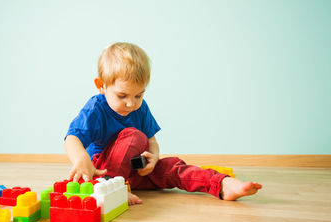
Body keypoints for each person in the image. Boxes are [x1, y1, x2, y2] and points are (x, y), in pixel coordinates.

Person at [64, 42, 262, 205]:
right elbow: (72, 138)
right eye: (122, 95)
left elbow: (151, 140)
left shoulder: (140, 108)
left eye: (139, 95)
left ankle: (222, 185)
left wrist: (153, 158)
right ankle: (111, 189)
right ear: (102, 86)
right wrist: (81, 159)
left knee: (173, 166)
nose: (131, 103)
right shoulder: (95, 109)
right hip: (103, 174)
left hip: (135, 172)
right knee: (133, 135)